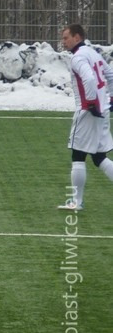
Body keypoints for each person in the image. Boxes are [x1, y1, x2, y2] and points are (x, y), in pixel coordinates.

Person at [58, 23, 113, 210]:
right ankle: (77, 201)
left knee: (78, 155)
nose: (63, 42)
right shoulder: (93, 53)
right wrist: (111, 98)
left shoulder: (78, 57)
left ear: (77, 37)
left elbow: (89, 78)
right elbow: (110, 74)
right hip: (102, 110)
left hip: (89, 111)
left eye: (66, 38)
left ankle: (76, 202)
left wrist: (90, 103)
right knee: (99, 157)